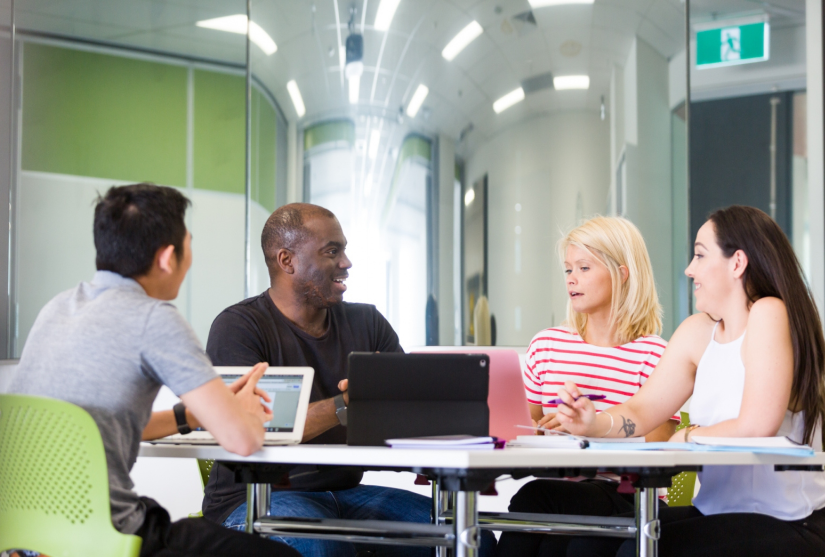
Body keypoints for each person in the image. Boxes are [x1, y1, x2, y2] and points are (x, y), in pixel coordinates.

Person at [7, 183, 300, 557]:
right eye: (189, 243)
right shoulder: (153, 318)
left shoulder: (58, 308)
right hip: (104, 538)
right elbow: (242, 442)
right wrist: (247, 412)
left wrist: (195, 415)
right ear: (167, 257)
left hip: (29, 538)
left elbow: (98, 425)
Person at [202, 203, 496, 557]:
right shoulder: (239, 327)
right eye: (332, 251)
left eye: (343, 249)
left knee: (469, 538)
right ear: (287, 261)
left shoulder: (367, 323)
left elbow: (407, 416)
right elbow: (254, 428)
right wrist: (346, 404)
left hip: (347, 492)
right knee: (318, 546)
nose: (346, 262)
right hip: (257, 498)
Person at [554, 206, 825, 557]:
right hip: (717, 512)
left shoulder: (769, 311)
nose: (689, 269)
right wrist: (593, 422)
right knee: (591, 545)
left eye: (699, 255)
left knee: (634, 552)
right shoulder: (699, 332)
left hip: (786, 521)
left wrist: (687, 436)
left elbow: (758, 423)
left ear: (737, 263)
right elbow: (642, 409)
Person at [496, 216, 678, 557]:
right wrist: (543, 433)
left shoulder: (654, 353)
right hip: (560, 491)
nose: (572, 279)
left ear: (622, 274)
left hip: (625, 496)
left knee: (539, 505)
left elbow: (660, 444)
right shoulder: (547, 346)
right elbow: (525, 429)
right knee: (541, 510)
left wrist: (588, 429)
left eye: (584, 268)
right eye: (568, 270)